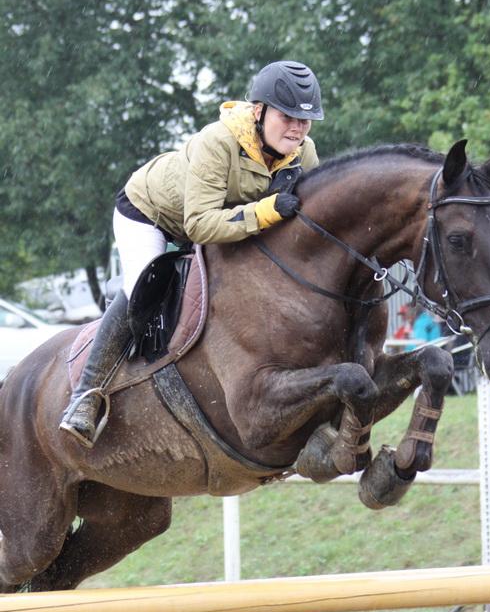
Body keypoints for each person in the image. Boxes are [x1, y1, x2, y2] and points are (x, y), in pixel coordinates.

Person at [60, 60, 324, 446]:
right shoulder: (218, 141)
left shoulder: (304, 153)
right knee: (143, 286)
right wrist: (266, 211)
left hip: (220, 224)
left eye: (305, 120)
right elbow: (199, 224)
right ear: (258, 111)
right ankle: (86, 395)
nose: (297, 128)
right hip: (151, 214)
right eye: (287, 117)